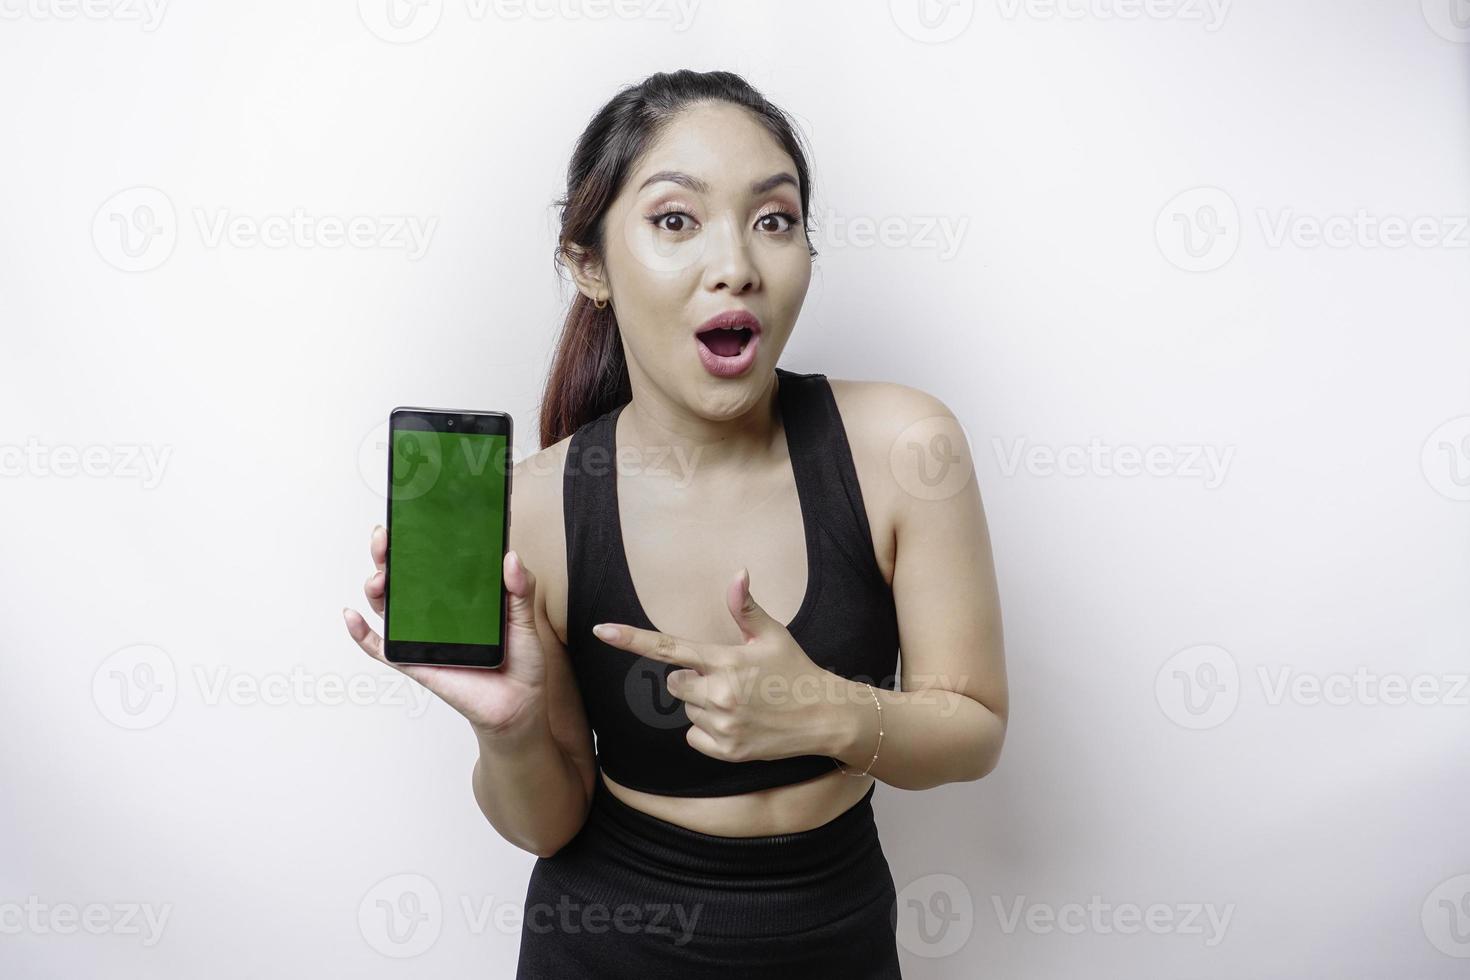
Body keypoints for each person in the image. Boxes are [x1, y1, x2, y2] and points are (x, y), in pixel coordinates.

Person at [343, 68, 1008, 978]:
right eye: (674, 220)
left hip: (835, 941)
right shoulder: (535, 507)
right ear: (590, 265)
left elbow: (973, 730)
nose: (736, 262)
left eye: (773, 219)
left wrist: (830, 711)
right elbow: (547, 820)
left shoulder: (904, 447)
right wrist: (508, 729)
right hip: (601, 944)